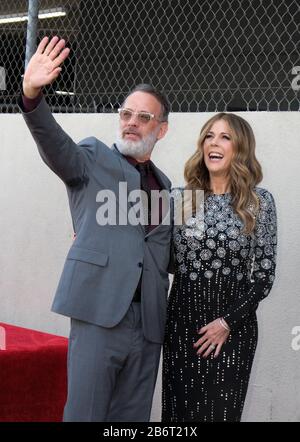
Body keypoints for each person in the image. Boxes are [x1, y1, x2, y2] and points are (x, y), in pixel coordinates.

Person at [20, 36, 173, 422]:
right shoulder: (92, 158)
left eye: (144, 117)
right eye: (126, 114)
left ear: (163, 129)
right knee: (85, 415)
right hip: (99, 314)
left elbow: (161, 251)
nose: (132, 123)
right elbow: (56, 146)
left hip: (149, 324)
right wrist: (32, 97)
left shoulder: (166, 185)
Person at [162, 113, 277, 422]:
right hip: (182, 324)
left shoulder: (258, 202)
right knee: (179, 417)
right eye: (209, 136)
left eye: (225, 137)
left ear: (240, 148)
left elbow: (264, 277)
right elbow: (157, 255)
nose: (214, 142)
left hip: (232, 329)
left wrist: (227, 322)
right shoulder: (181, 199)